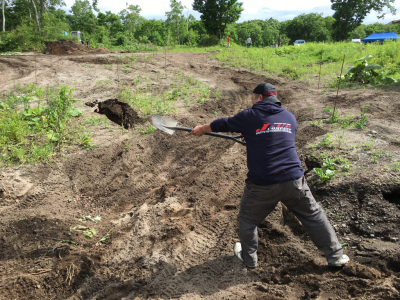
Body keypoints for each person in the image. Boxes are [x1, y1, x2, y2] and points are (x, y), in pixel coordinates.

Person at [191, 83, 350, 269]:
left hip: (263, 184)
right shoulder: (289, 118)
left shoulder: (249, 115)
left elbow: (224, 123)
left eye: (253, 98)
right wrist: (253, 138)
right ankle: (336, 256)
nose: (252, 102)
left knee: (248, 220)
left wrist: (202, 128)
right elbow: (276, 139)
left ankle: (249, 259)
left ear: (259, 98)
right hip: (294, 180)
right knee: (314, 215)